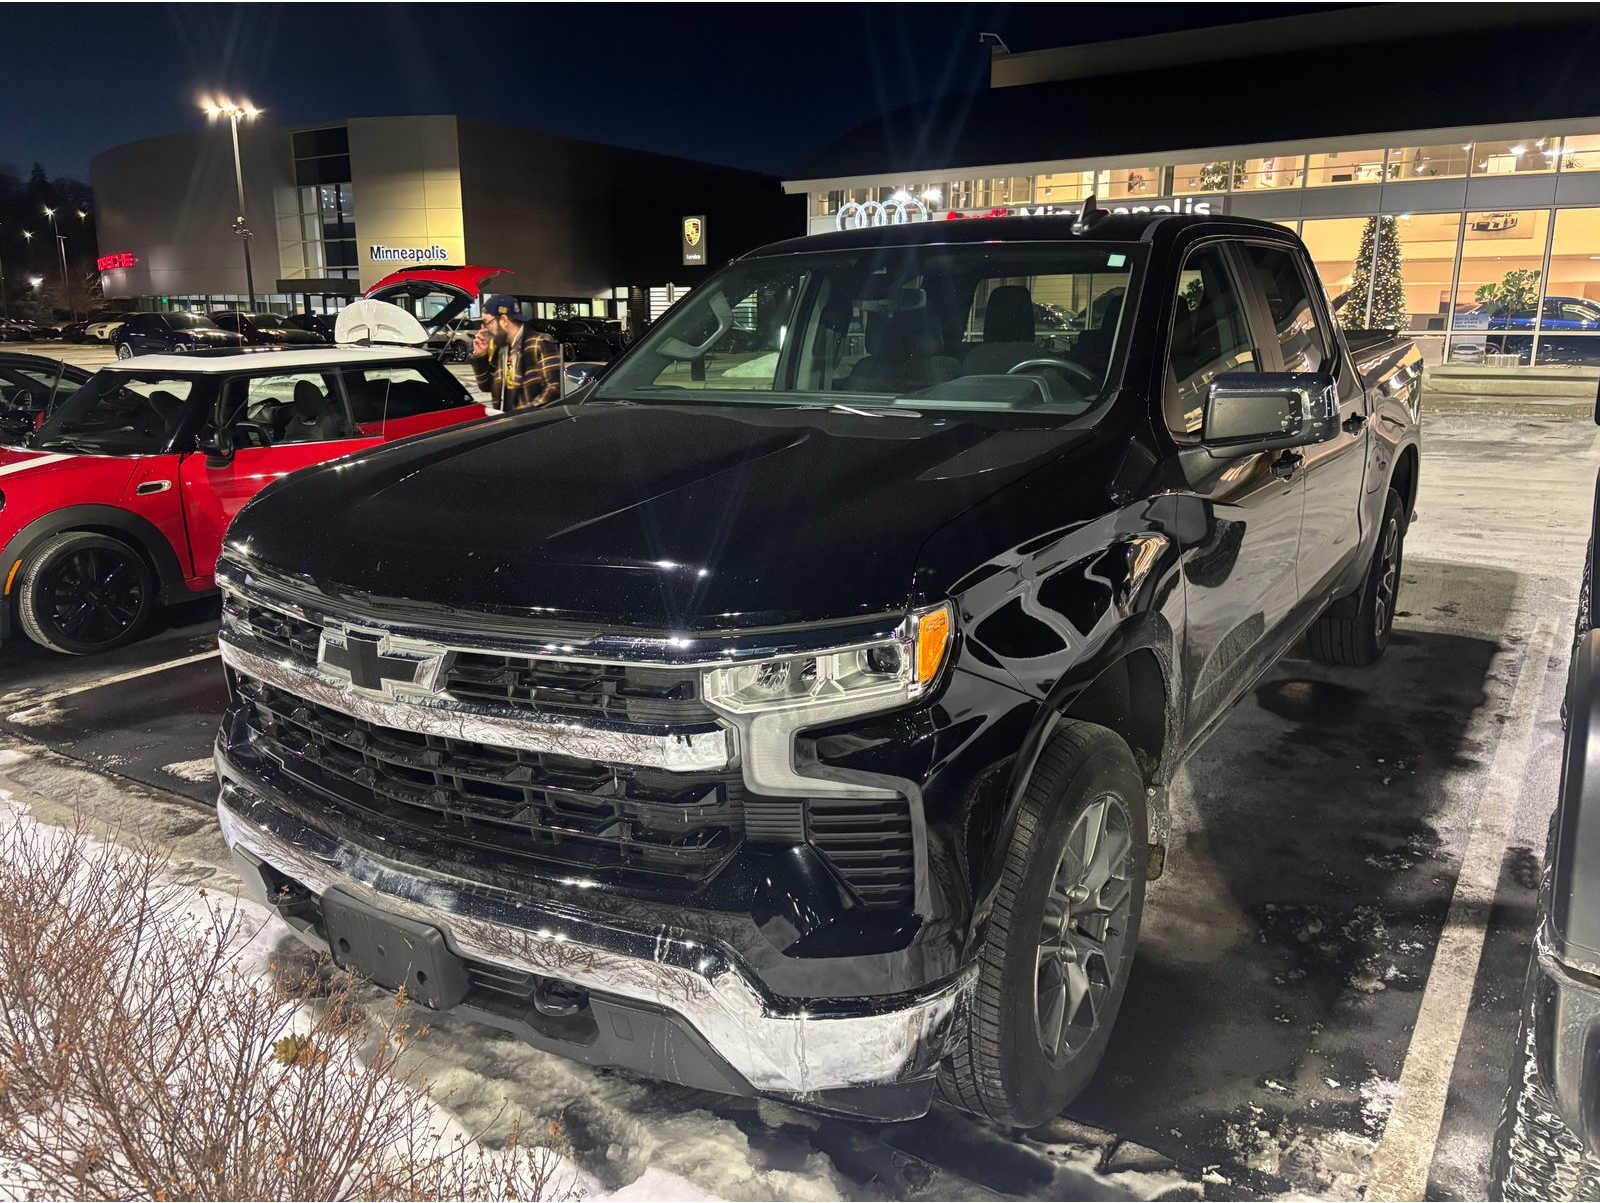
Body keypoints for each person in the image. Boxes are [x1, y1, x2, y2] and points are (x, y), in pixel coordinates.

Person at [470, 294, 561, 411]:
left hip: (531, 420)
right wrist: (480, 357)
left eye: (487, 322)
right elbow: (487, 386)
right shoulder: (503, 348)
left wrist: (522, 415)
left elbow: (554, 388)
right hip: (506, 418)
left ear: (504, 320)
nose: (485, 329)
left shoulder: (540, 343)